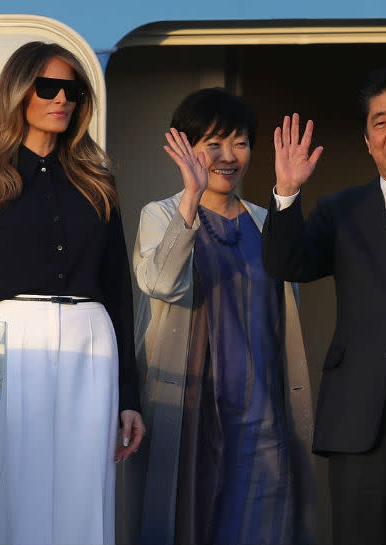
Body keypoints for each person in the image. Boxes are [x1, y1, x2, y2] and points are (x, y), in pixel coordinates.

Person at [0, 41, 144, 544]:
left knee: (85, 487)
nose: (63, 99)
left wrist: (130, 396)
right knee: (14, 483)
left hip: (91, 339)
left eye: (73, 90)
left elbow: (118, 288)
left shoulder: (97, 179)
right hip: (15, 339)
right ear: (20, 92)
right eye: (50, 87)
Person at [261, 67, 386, 545]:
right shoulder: (340, 209)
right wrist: (287, 191)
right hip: (357, 419)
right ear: (368, 139)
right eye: (380, 123)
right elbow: (287, 263)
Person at [132, 87, 316, 545]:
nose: (228, 156)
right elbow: (160, 283)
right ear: (185, 147)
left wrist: (288, 193)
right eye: (213, 143)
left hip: (261, 415)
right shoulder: (160, 214)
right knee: (188, 521)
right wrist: (190, 198)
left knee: (263, 525)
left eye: (240, 142)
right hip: (191, 409)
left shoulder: (262, 220)